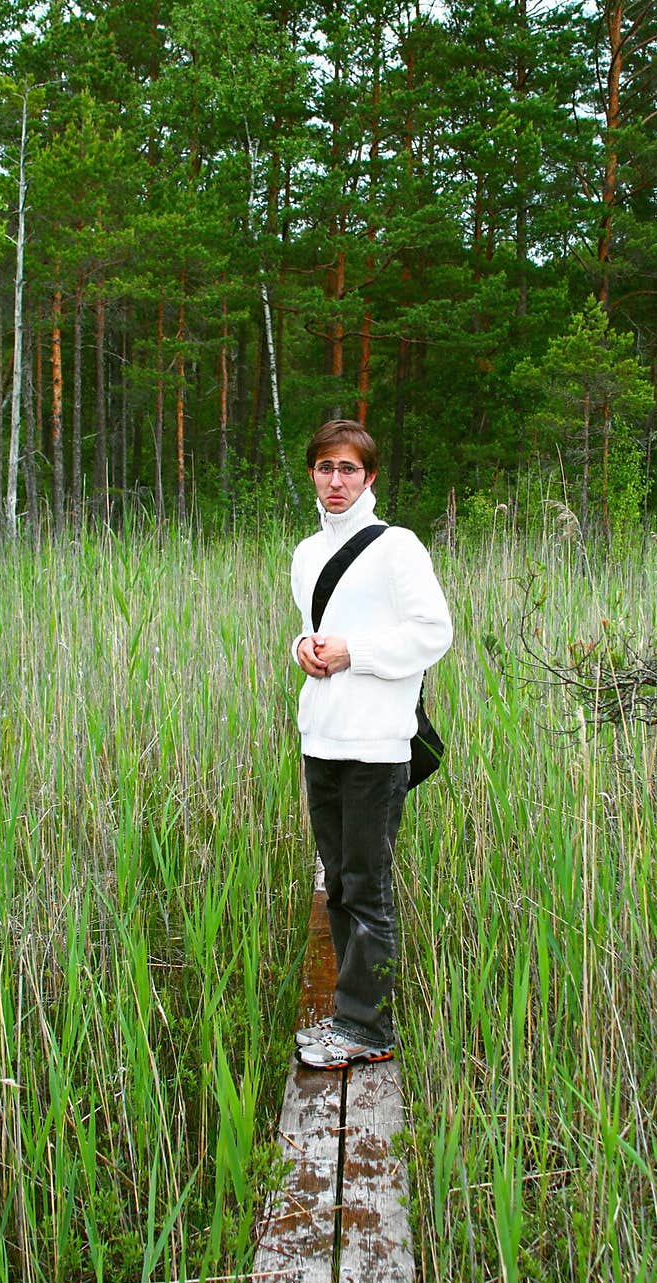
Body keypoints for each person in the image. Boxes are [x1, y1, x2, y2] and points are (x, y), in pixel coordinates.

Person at [290, 419, 453, 1070]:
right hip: (321, 737)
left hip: (377, 744)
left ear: (370, 477)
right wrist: (302, 649)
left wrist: (353, 652)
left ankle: (367, 1029)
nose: (336, 481)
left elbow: (432, 633)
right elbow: (311, 631)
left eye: (348, 469)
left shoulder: (398, 549)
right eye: (325, 468)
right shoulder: (305, 553)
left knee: (367, 883)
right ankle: (350, 1015)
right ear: (312, 474)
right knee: (338, 884)